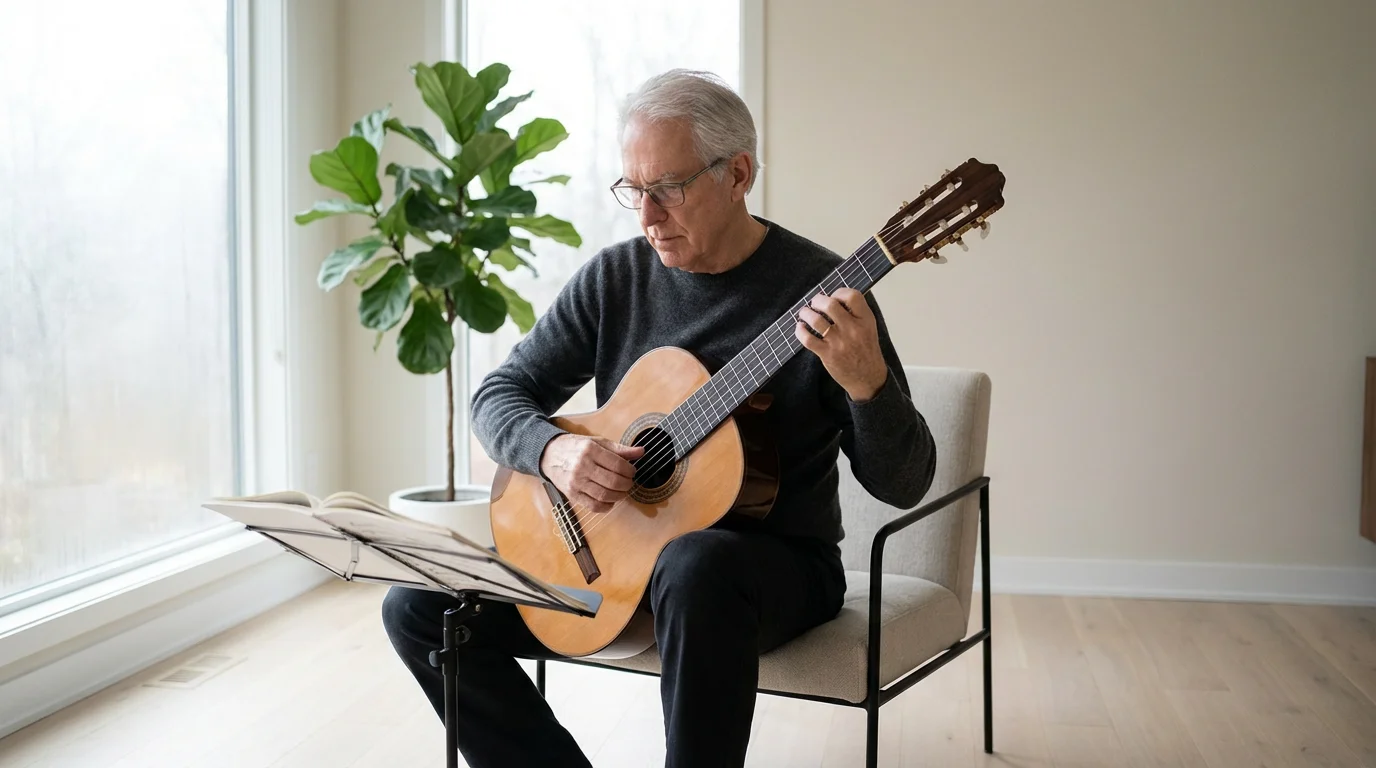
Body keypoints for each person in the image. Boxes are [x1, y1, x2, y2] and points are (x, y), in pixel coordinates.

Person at [381, 68, 937, 768]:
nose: (646, 216)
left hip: (773, 566)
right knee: (417, 607)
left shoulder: (827, 296)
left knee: (695, 561)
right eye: (633, 190)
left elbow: (905, 482)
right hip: (616, 557)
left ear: (738, 174)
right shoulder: (616, 278)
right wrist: (554, 452)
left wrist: (869, 388)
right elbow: (498, 395)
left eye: (668, 188)